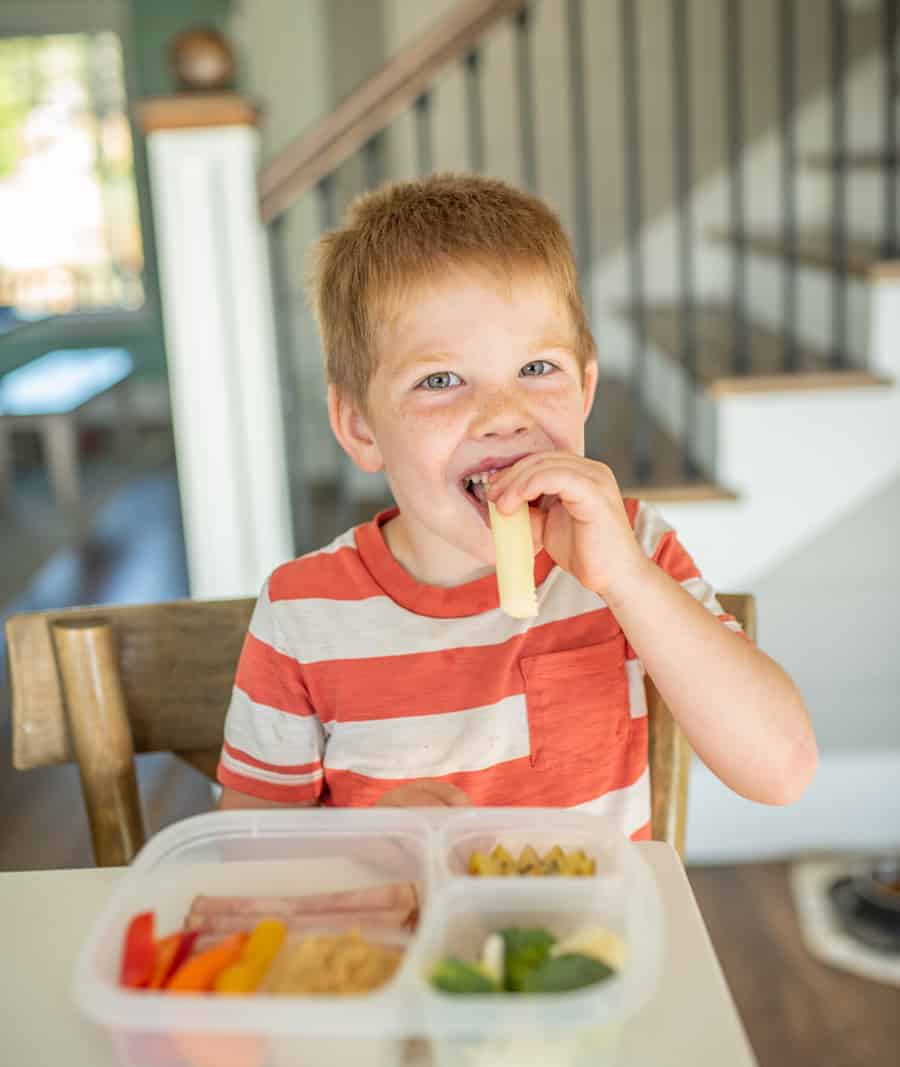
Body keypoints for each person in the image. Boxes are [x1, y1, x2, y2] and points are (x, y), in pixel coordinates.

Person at [216, 173, 817, 838]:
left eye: (537, 369)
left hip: (594, 936)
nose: (503, 416)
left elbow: (783, 769)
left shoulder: (633, 547)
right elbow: (247, 853)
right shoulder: (302, 614)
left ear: (586, 390)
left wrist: (628, 581)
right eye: (441, 380)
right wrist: (363, 843)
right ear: (360, 426)